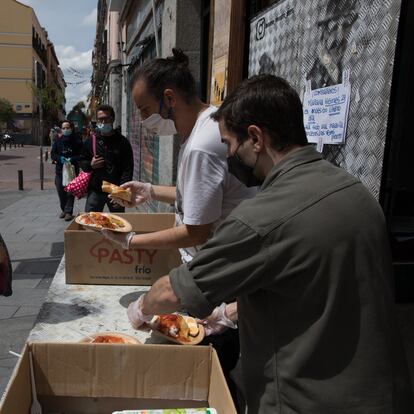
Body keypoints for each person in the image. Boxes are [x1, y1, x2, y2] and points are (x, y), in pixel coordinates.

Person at [125, 74, 413, 414]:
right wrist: (229, 313)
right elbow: (312, 284)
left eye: (230, 145)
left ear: (256, 138)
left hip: (305, 400)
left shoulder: (261, 218)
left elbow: (173, 293)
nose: (229, 157)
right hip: (385, 395)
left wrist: (140, 309)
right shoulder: (355, 191)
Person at [102, 48, 256, 402]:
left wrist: (130, 242)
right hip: (226, 267)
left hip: (220, 275)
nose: (143, 120)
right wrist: (151, 190)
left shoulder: (202, 144)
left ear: (169, 98)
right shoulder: (209, 123)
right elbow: (203, 198)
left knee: (209, 374)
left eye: (144, 110)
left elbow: (196, 230)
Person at [79, 104, 134, 213]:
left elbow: (128, 168)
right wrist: (91, 165)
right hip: (96, 190)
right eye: (100, 119)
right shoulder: (91, 141)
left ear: (112, 119)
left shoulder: (122, 142)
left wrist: (121, 192)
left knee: (118, 222)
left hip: (116, 189)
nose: (103, 122)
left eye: (106, 118)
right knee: (91, 221)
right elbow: (82, 161)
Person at [51, 120, 83, 221]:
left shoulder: (77, 140)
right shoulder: (57, 140)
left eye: (67, 128)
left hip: (72, 170)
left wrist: (72, 159)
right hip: (60, 170)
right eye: (63, 128)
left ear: (71, 128)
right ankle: (64, 209)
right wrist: (60, 159)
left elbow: (81, 154)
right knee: (60, 190)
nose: (66, 130)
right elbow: (53, 154)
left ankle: (69, 211)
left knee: (70, 191)